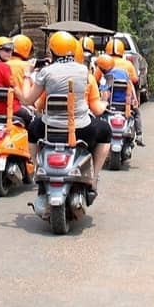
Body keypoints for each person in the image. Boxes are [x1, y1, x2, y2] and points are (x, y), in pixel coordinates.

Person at [23, 30, 111, 198]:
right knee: (106, 132)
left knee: (33, 129)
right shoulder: (85, 72)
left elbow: (31, 101)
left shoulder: (46, 73)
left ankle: (36, 168)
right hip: (81, 129)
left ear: (53, 51)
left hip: (50, 129)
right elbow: (94, 105)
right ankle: (94, 177)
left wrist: (28, 74)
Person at [0, 36, 33, 127]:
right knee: (34, 118)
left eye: (11, 50)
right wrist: (26, 101)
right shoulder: (4, 67)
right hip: (8, 109)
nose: (10, 53)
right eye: (6, 50)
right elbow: (15, 89)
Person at [110, 38, 145, 145]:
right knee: (137, 113)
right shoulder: (128, 64)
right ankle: (139, 135)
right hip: (126, 101)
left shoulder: (104, 63)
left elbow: (96, 79)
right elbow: (135, 79)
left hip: (108, 101)